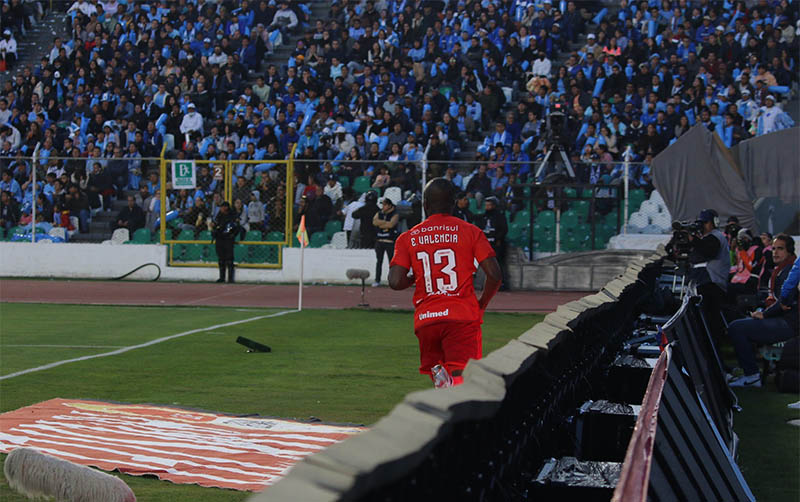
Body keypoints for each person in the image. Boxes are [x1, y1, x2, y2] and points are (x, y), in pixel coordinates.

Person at [388, 178, 502, 386]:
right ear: (453, 204)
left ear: (425, 205)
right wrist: (482, 304)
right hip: (461, 316)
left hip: (427, 320)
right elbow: (494, 274)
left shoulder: (408, 238)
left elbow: (395, 281)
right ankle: (458, 408)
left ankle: (446, 397)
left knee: (441, 376)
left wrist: (416, 276)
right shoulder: (471, 232)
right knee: (462, 377)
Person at [728, 234, 798, 388]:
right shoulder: (782, 269)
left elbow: (784, 302)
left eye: (780, 249)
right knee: (740, 321)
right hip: (785, 319)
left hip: (789, 324)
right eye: (773, 249)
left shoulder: (789, 270)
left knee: (736, 327)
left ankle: (752, 375)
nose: (775, 252)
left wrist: (764, 313)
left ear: (790, 251)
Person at [687, 209, 730, 352]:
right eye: (701, 223)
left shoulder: (715, 237)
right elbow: (695, 257)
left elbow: (708, 251)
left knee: (711, 322)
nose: (703, 226)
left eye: (705, 223)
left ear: (714, 223)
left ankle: (713, 350)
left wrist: (695, 241)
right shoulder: (708, 238)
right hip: (710, 282)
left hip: (713, 284)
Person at [478, 196, 509, 290]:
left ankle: (501, 284)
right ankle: (485, 284)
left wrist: (498, 239)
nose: (487, 207)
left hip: (497, 245)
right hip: (486, 244)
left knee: (499, 264)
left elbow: (504, 229)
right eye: (486, 205)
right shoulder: (483, 217)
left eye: (489, 205)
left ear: (494, 206)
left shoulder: (499, 216)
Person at [372, 197, 399, 287]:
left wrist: (381, 224)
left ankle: (392, 280)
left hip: (389, 241)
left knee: (391, 262)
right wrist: (384, 223)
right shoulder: (379, 213)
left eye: (384, 205)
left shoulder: (395, 214)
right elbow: (374, 222)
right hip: (379, 241)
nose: (382, 207)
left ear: (389, 205)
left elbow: (391, 224)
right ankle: (377, 280)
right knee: (379, 261)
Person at [212, 201, 238, 283]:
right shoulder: (219, 215)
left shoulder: (231, 216)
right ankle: (222, 277)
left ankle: (230, 278)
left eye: (223, 207)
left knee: (229, 259)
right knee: (221, 259)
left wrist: (231, 234)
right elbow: (215, 225)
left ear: (226, 207)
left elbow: (234, 227)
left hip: (228, 239)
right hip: (220, 239)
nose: (221, 208)